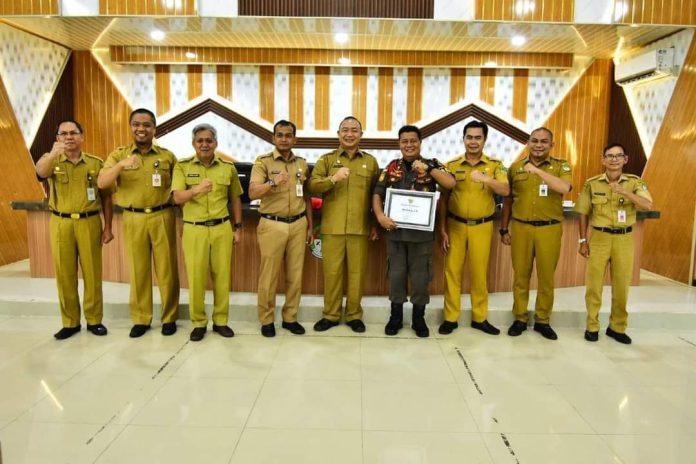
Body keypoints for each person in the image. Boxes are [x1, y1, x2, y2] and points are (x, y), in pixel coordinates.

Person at [98, 108, 179, 338]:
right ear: (131, 127)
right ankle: (141, 319)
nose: (141, 129)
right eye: (136, 124)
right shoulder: (118, 155)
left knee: (167, 270)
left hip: (162, 215)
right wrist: (121, 165)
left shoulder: (167, 156)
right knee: (138, 270)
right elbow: (102, 183)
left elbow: (177, 188)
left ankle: (169, 317)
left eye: (146, 125)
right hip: (133, 217)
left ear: (154, 128)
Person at [373, 125, 455, 337]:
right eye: (404, 141)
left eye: (413, 141)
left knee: (420, 279)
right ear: (399, 144)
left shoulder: (432, 164)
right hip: (396, 234)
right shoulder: (392, 166)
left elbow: (450, 183)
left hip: (422, 237)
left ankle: (419, 318)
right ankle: (396, 317)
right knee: (396, 276)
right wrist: (380, 216)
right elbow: (377, 193)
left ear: (420, 143)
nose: (409, 145)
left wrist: (428, 169)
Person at [35, 120, 114, 340]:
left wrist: (108, 227)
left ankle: (94, 320)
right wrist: (53, 153)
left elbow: (107, 197)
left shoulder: (96, 163)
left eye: (73, 133)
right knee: (65, 274)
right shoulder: (50, 159)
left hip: (89, 222)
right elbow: (40, 172)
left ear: (82, 136)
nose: (69, 137)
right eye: (63, 134)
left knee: (92, 273)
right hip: (61, 222)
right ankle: (70, 322)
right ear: (57, 138)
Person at [576, 143, 653, 344]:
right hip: (599, 238)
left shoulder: (635, 182)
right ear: (603, 159)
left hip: (624, 239)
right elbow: (583, 212)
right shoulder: (592, 183)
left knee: (621, 286)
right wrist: (583, 240)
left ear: (625, 159)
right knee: (594, 286)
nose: (614, 159)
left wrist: (624, 192)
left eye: (619, 156)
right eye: (609, 156)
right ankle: (592, 326)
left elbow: (647, 204)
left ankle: (617, 327)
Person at [171, 124, 242, 341]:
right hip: (195, 229)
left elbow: (235, 198)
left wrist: (238, 227)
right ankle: (199, 323)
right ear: (193, 144)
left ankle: (221, 321)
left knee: (222, 277)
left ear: (216, 143)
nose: (204, 144)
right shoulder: (182, 166)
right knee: (196, 278)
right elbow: (177, 197)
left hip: (222, 228)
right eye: (200, 140)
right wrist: (196, 190)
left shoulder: (228, 168)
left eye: (209, 140)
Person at [308, 116, 380, 333]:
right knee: (332, 274)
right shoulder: (326, 160)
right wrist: (333, 179)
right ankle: (330, 315)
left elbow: (377, 194)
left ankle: (354, 316)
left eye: (354, 130)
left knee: (357, 275)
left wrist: (375, 224)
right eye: (345, 130)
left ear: (361, 134)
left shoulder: (371, 162)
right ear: (338, 134)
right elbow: (312, 186)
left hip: (360, 228)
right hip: (333, 228)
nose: (349, 134)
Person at [500, 128, 572, 340]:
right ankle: (520, 318)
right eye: (534, 141)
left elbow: (564, 187)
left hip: (549, 228)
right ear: (528, 143)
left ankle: (543, 320)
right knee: (520, 276)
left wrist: (538, 171)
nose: (538, 145)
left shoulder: (561, 166)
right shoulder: (515, 168)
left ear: (552, 145)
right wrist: (504, 228)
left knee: (546, 277)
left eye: (544, 141)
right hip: (521, 227)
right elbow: (508, 201)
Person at [438, 120, 509, 335]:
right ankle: (450, 318)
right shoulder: (451, 165)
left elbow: (505, 190)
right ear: (463, 139)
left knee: (479, 273)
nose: (473, 141)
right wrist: (442, 229)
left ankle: (480, 318)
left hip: (482, 226)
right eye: (469, 137)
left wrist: (486, 179)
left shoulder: (495, 165)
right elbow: (443, 199)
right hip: (455, 225)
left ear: (484, 140)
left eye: (478, 137)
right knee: (452, 272)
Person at [249, 120, 313, 337]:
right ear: (273, 138)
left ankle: (290, 318)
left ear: (295, 139)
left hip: (298, 224)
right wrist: (273, 182)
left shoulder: (302, 164)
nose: (284, 139)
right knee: (269, 276)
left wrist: (309, 225)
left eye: (288, 135)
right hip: (272, 224)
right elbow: (253, 193)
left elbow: (306, 196)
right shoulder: (263, 162)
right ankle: (266, 319)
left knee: (295, 275)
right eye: (280, 135)